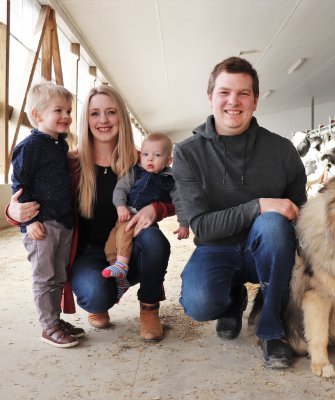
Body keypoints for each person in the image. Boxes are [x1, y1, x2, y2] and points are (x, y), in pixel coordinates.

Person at [7, 84, 175, 342]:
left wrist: (157, 208)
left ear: (121, 117)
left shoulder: (143, 161)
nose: (103, 120)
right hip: (88, 251)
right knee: (94, 294)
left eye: (111, 112)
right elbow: (30, 190)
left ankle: (149, 307)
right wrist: (14, 211)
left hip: (130, 245)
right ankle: (101, 300)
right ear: (86, 120)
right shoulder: (69, 162)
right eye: (95, 113)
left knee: (155, 241)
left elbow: (176, 193)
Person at [172, 57, 307, 368]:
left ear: (255, 101)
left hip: (268, 248)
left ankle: (272, 329)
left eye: (244, 93)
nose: (233, 101)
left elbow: (299, 211)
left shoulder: (282, 150)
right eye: (224, 92)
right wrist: (259, 204)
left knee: (274, 225)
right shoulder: (187, 153)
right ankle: (233, 300)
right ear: (211, 97)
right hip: (215, 248)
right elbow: (202, 228)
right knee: (199, 304)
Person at [11, 80, 84, 348]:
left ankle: (56, 319)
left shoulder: (60, 145)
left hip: (63, 221)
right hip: (41, 224)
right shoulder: (30, 146)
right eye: (58, 111)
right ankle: (48, 326)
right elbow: (20, 185)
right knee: (44, 277)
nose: (66, 116)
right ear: (37, 115)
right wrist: (29, 221)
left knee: (58, 275)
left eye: (68, 110)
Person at [102, 132, 189, 301]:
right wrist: (120, 206)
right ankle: (120, 278)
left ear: (168, 161)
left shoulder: (170, 180)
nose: (150, 159)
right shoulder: (134, 172)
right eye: (146, 154)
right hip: (126, 214)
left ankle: (122, 265)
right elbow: (120, 189)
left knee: (126, 234)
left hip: (144, 221)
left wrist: (184, 224)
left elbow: (181, 202)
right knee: (111, 242)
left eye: (157, 155)